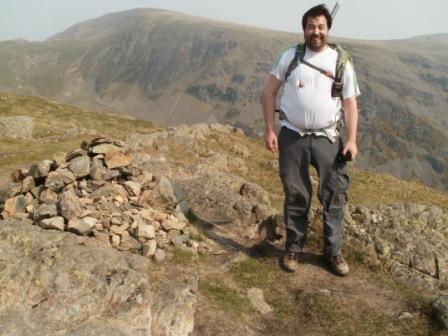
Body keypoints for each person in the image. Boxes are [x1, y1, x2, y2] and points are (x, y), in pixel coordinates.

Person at [261, 4, 360, 276]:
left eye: (320, 27)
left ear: (328, 29)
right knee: (296, 194)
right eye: (310, 27)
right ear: (304, 29)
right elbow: (269, 93)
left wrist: (351, 140)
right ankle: (293, 248)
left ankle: (334, 252)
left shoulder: (341, 60)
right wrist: (270, 130)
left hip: (328, 138)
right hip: (292, 135)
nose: (315, 32)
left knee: (334, 196)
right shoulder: (290, 56)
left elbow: (350, 103)